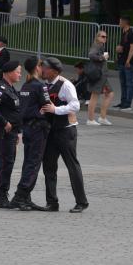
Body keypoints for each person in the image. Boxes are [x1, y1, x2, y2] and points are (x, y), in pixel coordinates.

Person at [40, 57, 89, 213]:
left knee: (72, 166)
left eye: (45, 68)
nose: (43, 70)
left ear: (54, 71)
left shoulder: (65, 85)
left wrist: (57, 110)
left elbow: (75, 105)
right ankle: (52, 202)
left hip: (66, 130)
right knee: (48, 166)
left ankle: (81, 202)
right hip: (51, 131)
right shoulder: (45, 85)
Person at [10, 57, 51, 210]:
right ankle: (20, 196)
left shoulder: (26, 86)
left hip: (27, 128)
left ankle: (26, 198)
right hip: (38, 129)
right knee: (33, 164)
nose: (43, 69)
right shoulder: (40, 87)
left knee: (28, 162)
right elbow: (48, 106)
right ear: (37, 67)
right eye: (42, 66)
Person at [0, 61, 22, 208]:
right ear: (9, 72)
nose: (20, 74)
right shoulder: (1, 89)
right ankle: (1, 196)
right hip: (3, 133)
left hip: (12, 133)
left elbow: (16, 112)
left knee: (7, 162)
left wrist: (19, 131)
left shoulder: (12, 89)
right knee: (4, 163)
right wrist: (4, 123)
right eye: (18, 71)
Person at [87, 31, 114, 126]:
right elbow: (91, 55)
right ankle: (90, 119)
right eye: (102, 36)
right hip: (98, 75)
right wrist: (102, 57)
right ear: (97, 37)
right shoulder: (96, 46)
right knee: (94, 96)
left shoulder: (101, 46)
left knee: (110, 94)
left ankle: (102, 117)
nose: (105, 38)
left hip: (103, 75)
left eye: (106, 37)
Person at [114, 15, 133, 111]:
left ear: (125, 22)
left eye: (120, 22)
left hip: (128, 62)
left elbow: (132, 48)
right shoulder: (123, 32)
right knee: (122, 82)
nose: (119, 24)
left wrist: (128, 60)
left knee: (129, 82)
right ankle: (123, 101)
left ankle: (128, 103)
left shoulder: (131, 33)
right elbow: (123, 45)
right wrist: (118, 50)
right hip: (121, 60)